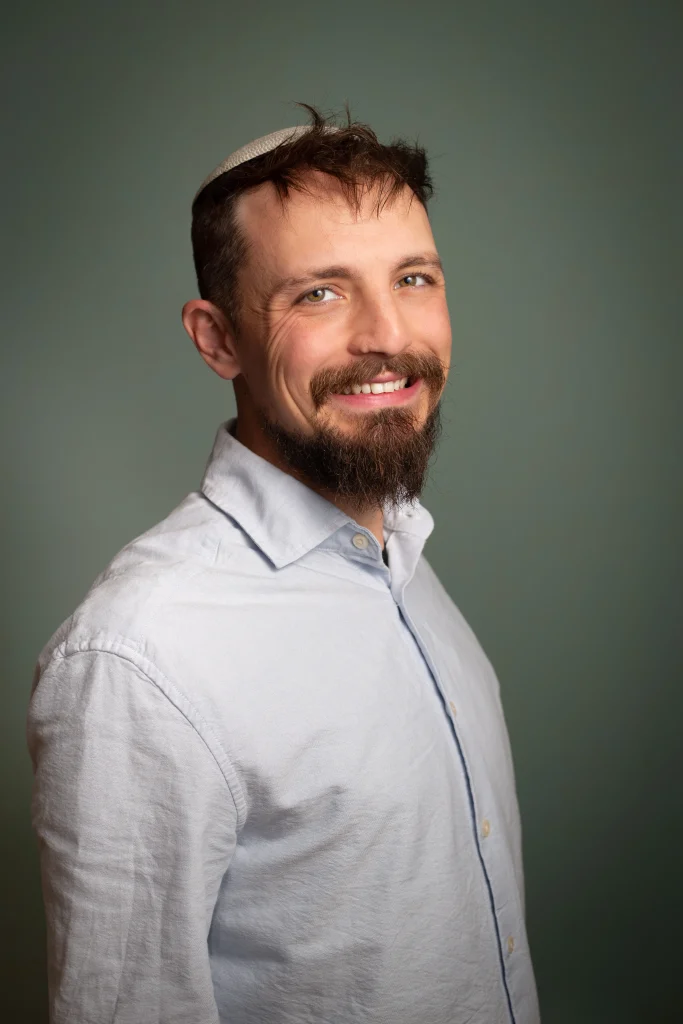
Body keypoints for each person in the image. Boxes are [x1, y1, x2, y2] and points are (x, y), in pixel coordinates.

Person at [27, 105, 540, 1024]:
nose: (388, 334)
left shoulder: (398, 558)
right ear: (217, 338)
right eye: (319, 294)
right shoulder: (141, 657)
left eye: (413, 278)